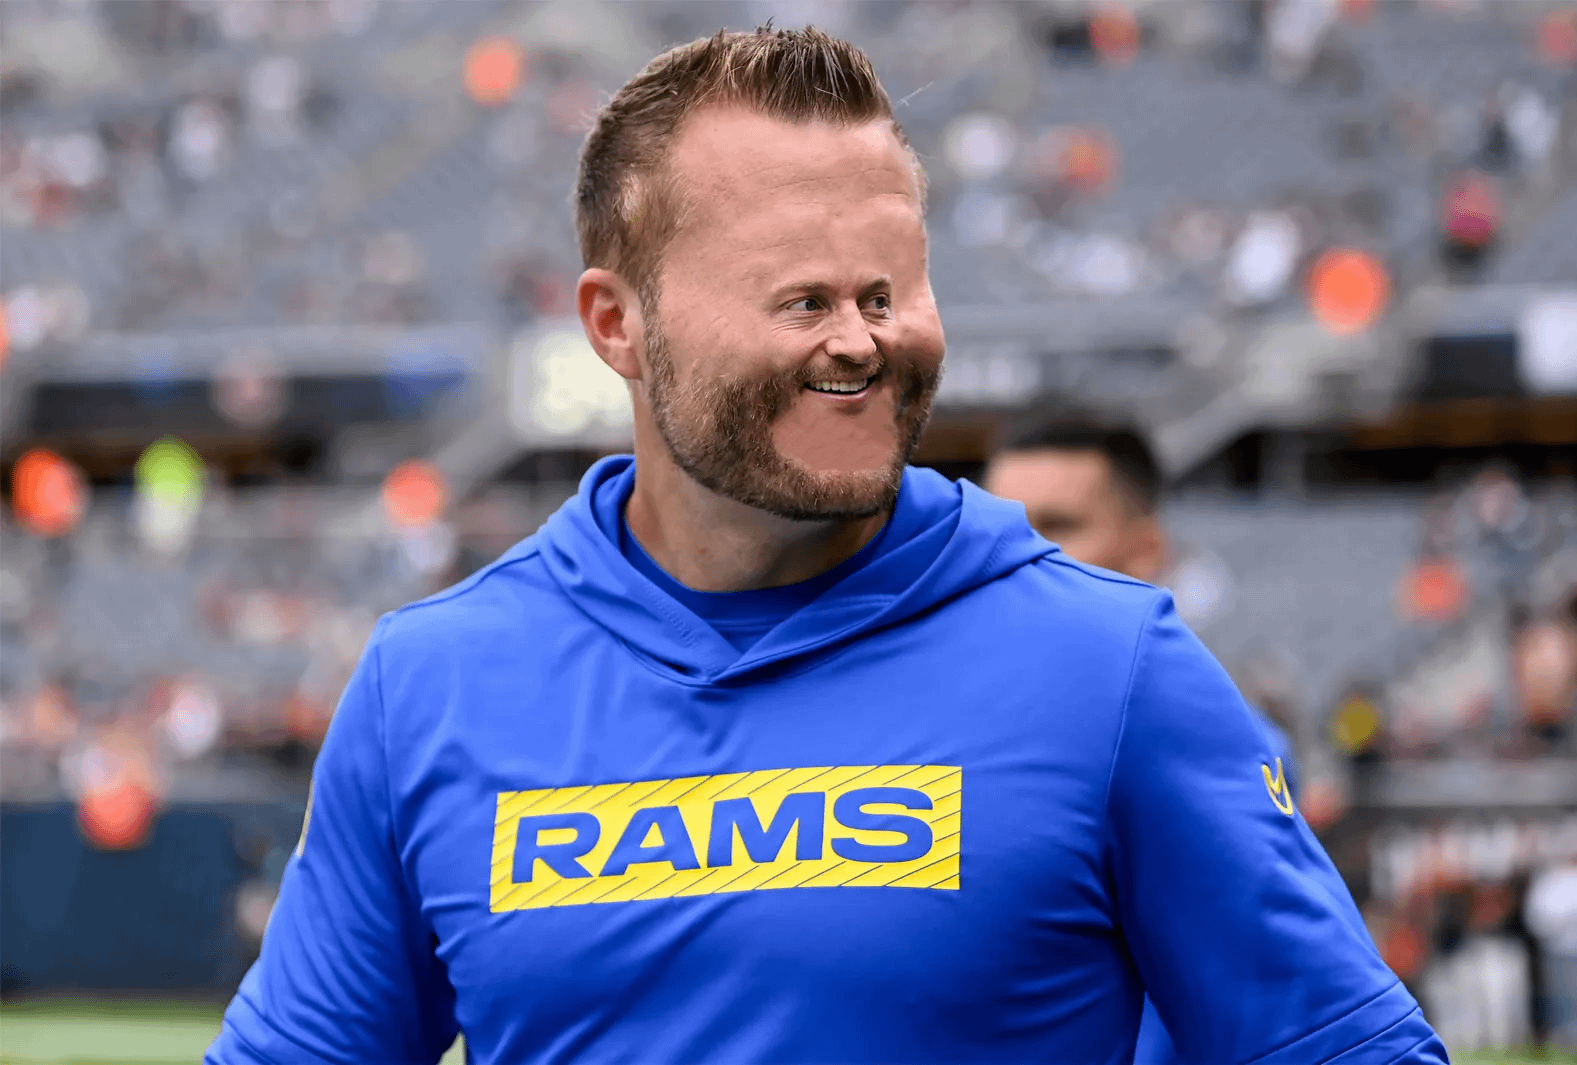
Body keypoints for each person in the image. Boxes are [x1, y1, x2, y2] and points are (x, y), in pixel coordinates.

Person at [207, 27, 1445, 1064]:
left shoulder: (1110, 669)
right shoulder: (431, 685)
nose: (859, 340)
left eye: (886, 293)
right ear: (616, 324)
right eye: (801, 297)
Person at [985, 408, 1302, 1064]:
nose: (1014, 553)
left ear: (1145, 551)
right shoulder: (930, 733)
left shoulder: (1222, 751)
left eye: (1058, 526)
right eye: (998, 525)